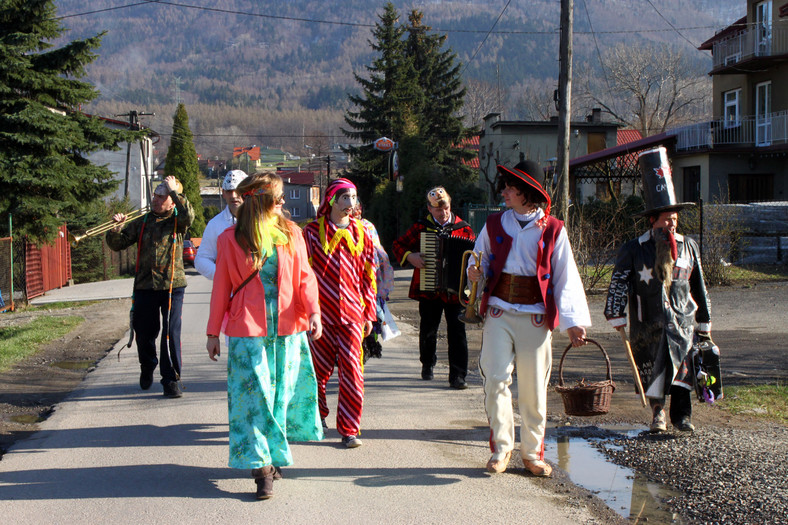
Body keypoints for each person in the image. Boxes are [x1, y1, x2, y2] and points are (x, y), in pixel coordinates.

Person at [467, 161, 590, 477]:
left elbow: (565, 277)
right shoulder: (494, 224)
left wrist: (574, 321)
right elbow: (478, 262)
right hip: (499, 311)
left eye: (510, 187)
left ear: (526, 193)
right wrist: (473, 274)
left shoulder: (553, 229)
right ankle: (502, 448)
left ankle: (533, 454)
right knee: (494, 378)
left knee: (534, 389)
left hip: (535, 316)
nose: (504, 191)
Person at [205, 172, 323, 500]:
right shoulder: (230, 239)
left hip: (287, 330)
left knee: (280, 398)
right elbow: (222, 289)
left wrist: (313, 311)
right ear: (260, 199)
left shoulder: (291, 233)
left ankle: (273, 452)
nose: (283, 201)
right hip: (248, 332)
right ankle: (262, 469)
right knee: (254, 400)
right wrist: (213, 331)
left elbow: (304, 278)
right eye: (277, 196)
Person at [604, 146, 712, 433]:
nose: (671, 224)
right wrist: (615, 313)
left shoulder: (688, 246)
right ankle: (658, 415)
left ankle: (682, 416)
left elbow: (698, 285)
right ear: (652, 221)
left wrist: (705, 323)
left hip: (682, 321)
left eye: (674, 219)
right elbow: (618, 282)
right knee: (654, 368)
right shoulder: (634, 249)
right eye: (665, 219)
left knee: (683, 371)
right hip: (648, 322)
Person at [303, 178, 377, 448]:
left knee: (352, 371)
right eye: (344, 197)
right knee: (317, 371)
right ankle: (317, 416)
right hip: (319, 317)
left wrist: (369, 313)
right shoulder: (311, 233)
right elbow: (303, 276)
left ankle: (349, 428)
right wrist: (305, 313)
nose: (350, 203)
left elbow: (369, 275)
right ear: (331, 200)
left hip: (352, 316)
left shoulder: (364, 233)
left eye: (354, 198)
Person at [106, 175, 195, 398]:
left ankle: (171, 379)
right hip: (145, 285)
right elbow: (118, 244)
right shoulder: (143, 221)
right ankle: (147, 365)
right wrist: (116, 228)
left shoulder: (177, 220)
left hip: (172, 286)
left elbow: (189, 215)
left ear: (172, 201)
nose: (156, 200)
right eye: (155, 195)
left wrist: (175, 190)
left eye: (162, 196)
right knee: (144, 333)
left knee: (170, 333)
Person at [392, 186, 475, 389]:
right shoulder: (421, 227)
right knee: (428, 329)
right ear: (429, 209)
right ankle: (427, 363)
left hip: (456, 290)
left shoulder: (463, 229)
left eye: (445, 207)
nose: (443, 212)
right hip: (429, 288)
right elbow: (398, 245)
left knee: (458, 331)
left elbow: (476, 254)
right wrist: (410, 256)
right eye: (438, 209)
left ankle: (458, 376)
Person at [352, 203, 394, 361]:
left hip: (370, 279)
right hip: (349, 283)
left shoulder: (367, 226)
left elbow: (378, 251)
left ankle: (368, 344)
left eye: (358, 208)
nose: (355, 211)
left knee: (373, 314)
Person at [195, 169, 248, 280]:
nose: (233, 196)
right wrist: (224, 276)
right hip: (230, 293)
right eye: (229, 191)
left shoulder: (261, 220)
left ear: (247, 192)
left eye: (237, 190)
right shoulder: (215, 224)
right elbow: (201, 259)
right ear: (223, 193)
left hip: (258, 291)